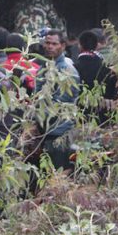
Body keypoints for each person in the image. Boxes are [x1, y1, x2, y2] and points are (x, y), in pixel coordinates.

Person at [35, 29, 80, 169]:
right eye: (47, 43)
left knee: (56, 176)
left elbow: (61, 105)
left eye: (54, 44)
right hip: (45, 131)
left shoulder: (67, 71)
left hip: (59, 133)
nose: (50, 47)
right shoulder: (45, 66)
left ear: (63, 46)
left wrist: (34, 112)